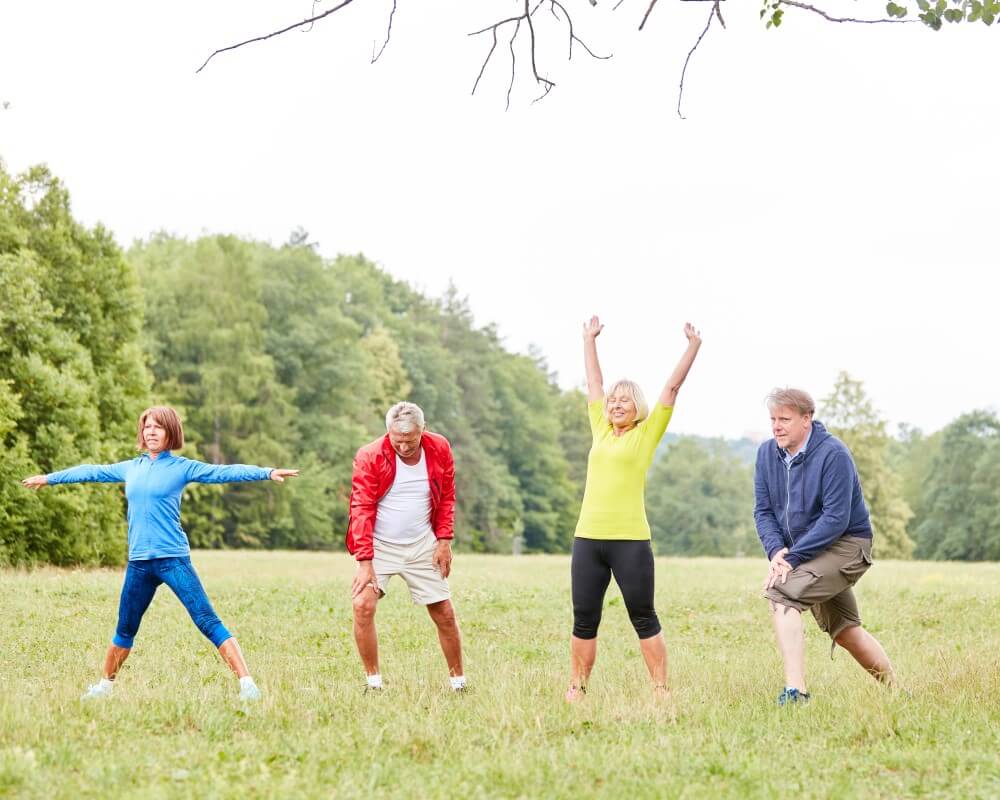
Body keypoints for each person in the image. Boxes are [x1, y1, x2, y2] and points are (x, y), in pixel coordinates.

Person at [21, 406, 298, 702]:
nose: (151, 431)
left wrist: (266, 472)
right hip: (139, 563)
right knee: (125, 627)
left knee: (207, 619)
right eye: (147, 426)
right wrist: (49, 478)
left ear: (170, 433)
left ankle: (247, 685)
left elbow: (223, 472)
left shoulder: (182, 467)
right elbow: (90, 471)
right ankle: (104, 687)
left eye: (158, 427)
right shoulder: (131, 467)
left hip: (173, 560)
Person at [567, 316, 702, 703]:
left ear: (637, 407)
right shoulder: (600, 428)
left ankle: (660, 689)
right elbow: (594, 382)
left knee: (643, 615)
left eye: (624, 400)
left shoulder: (647, 434)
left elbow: (672, 388)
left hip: (630, 541)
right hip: (588, 538)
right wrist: (588, 339)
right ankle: (577, 687)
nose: (615, 404)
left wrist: (692, 346)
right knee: (584, 618)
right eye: (613, 400)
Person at [754, 388, 895, 705]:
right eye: (773, 419)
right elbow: (763, 511)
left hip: (847, 545)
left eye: (785, 419)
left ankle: (796, 692)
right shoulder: (766, 454)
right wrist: (776, 551)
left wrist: (792, 559)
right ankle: (899, 693)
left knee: (782, 594)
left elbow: (836, 518)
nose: (776, 426)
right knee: (846, 631)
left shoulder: (834, 455)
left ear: (806, 419)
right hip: (806, 552)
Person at [346, 401, 465, 692]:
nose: (403, 447)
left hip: (423, 543)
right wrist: (365, 561)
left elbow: (447, 495)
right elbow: (360, 506)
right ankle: (373, 684)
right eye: (397, 441)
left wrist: (444, 541)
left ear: (422, 431)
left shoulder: (439, 448)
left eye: (410, 441)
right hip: (380, 545)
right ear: (388, 433)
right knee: (362, 606)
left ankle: (459, 683)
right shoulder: (370, 455)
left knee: (444, 614)